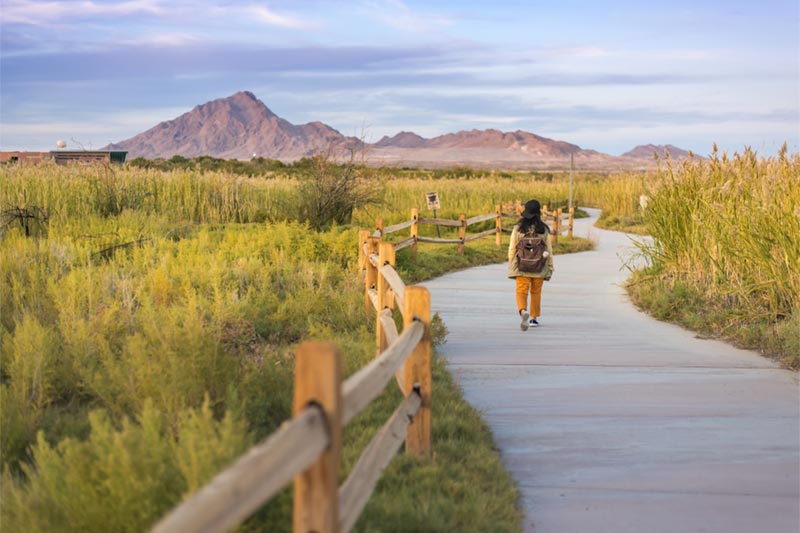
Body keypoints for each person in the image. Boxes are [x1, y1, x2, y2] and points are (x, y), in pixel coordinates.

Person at [508, 199, 554, 331]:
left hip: (522, 265)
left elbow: (512, 247)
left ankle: (523, 311)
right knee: (536, 292)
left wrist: (511, 261)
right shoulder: (543, 229)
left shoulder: (518, 228)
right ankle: (534, 318)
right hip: (539, 265)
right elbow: (549, 250)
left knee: (521, 290)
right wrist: (550, 265)